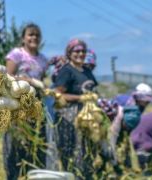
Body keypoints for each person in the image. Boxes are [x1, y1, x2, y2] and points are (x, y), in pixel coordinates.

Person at [4, 23, 48, 180]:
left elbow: (42, 83)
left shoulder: (43, 59)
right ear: (23, 38)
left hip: (36, 108)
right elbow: (6, 78)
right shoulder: (16, 54)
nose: (34, 37)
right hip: (18, 107)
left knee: (36, 146)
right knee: (16, 147)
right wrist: (27, 80)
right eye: (30, 34)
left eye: (37, 35)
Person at [53, 39, 98, 178]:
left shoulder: (87, 71)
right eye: (77, 51)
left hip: (88, 118)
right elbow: (58, 95)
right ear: (69, 53)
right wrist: (80, 98)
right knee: (73, 155)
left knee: (88, 154)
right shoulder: (66, 71)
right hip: (69, 118)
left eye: (83, 51)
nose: (80, 54)